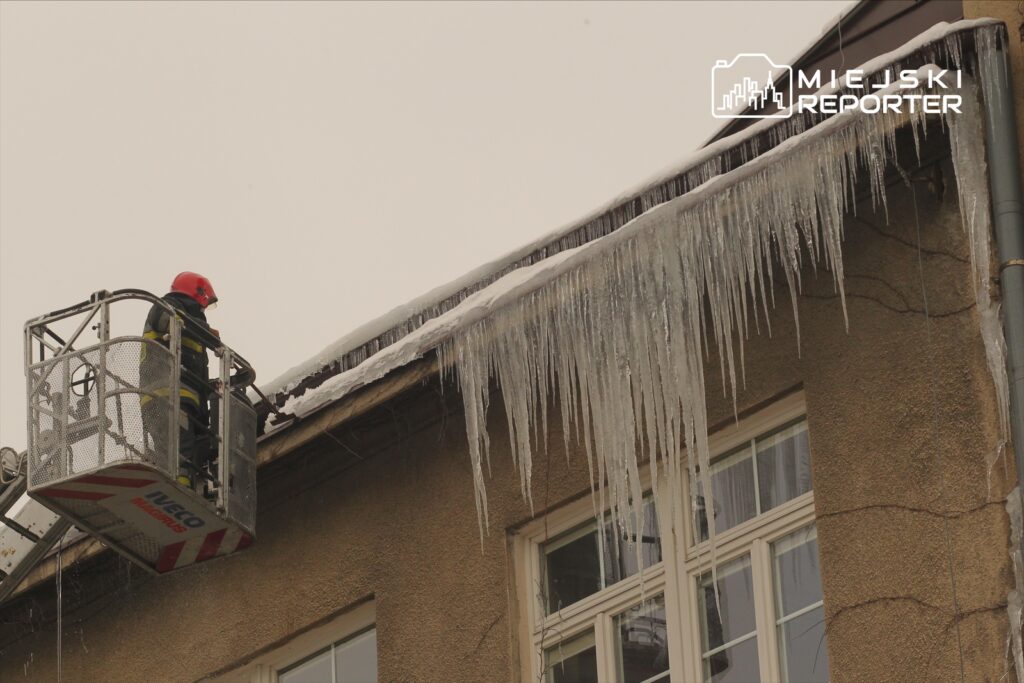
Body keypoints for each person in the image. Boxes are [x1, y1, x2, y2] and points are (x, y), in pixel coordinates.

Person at [140, 272, 220, 487]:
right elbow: (171, 321)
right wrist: (205, 331)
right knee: (179, 447)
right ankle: (179, 487)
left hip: (182, 398)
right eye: (205, 302)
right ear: (199, 293)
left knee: (184, 450)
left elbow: (193, 371)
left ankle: (182, 485)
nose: (204, 309)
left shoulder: (191, 325)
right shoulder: (166, 307)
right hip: (165, 395)